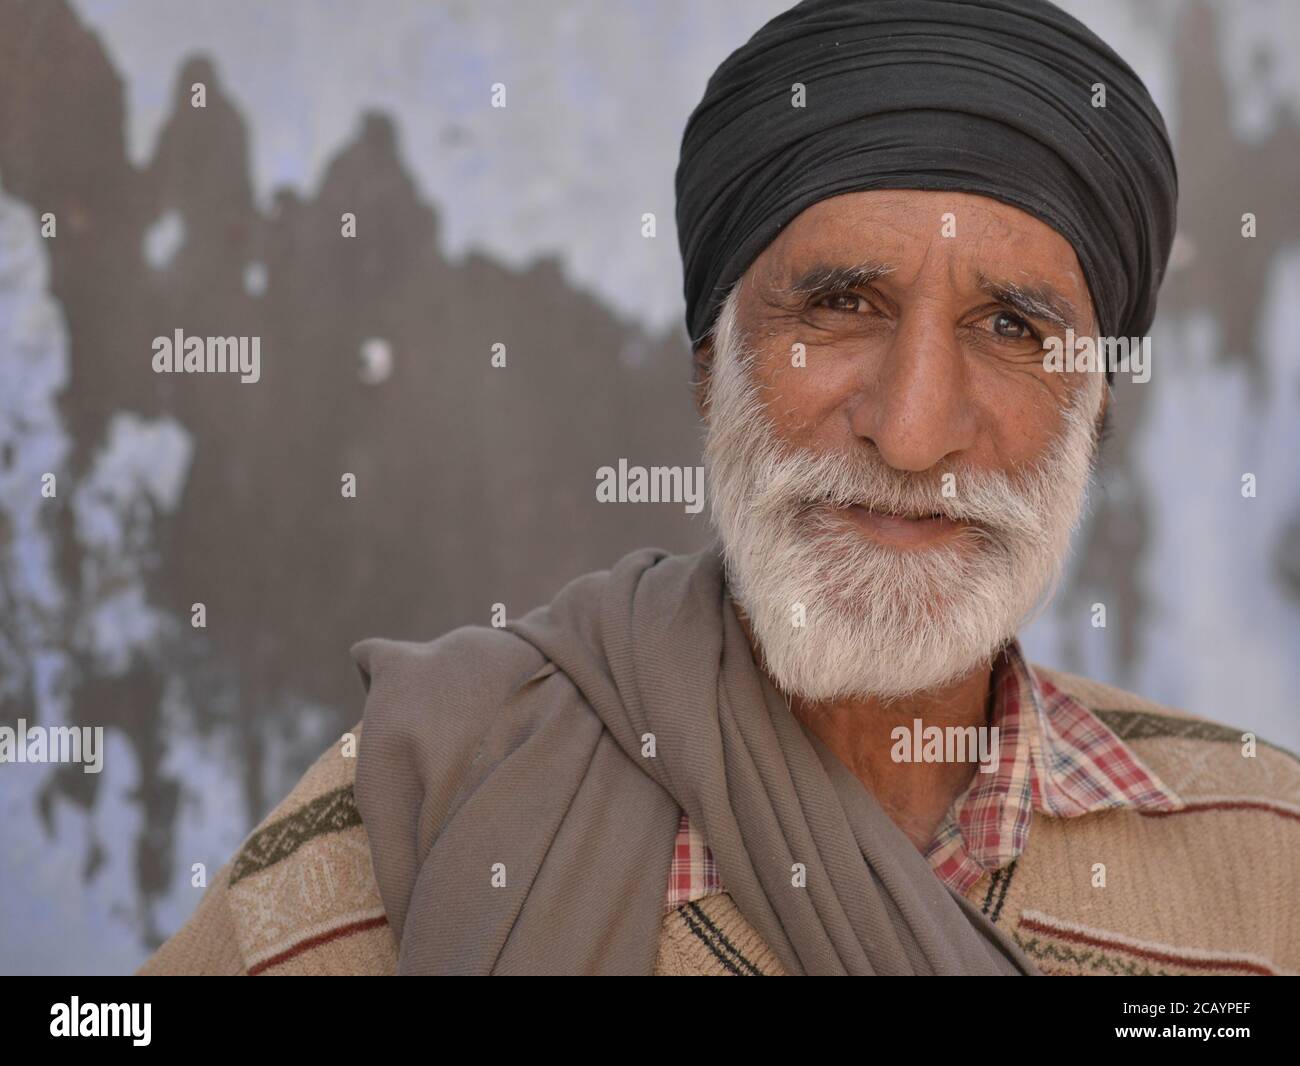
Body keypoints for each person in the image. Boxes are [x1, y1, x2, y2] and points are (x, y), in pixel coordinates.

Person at [140, 0, 1299, 976]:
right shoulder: (433, 807)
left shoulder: (1265, 862)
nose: (908, 432)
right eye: (842, 304)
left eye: (1011, 326)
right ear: (711, 366)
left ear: (1095, 406)